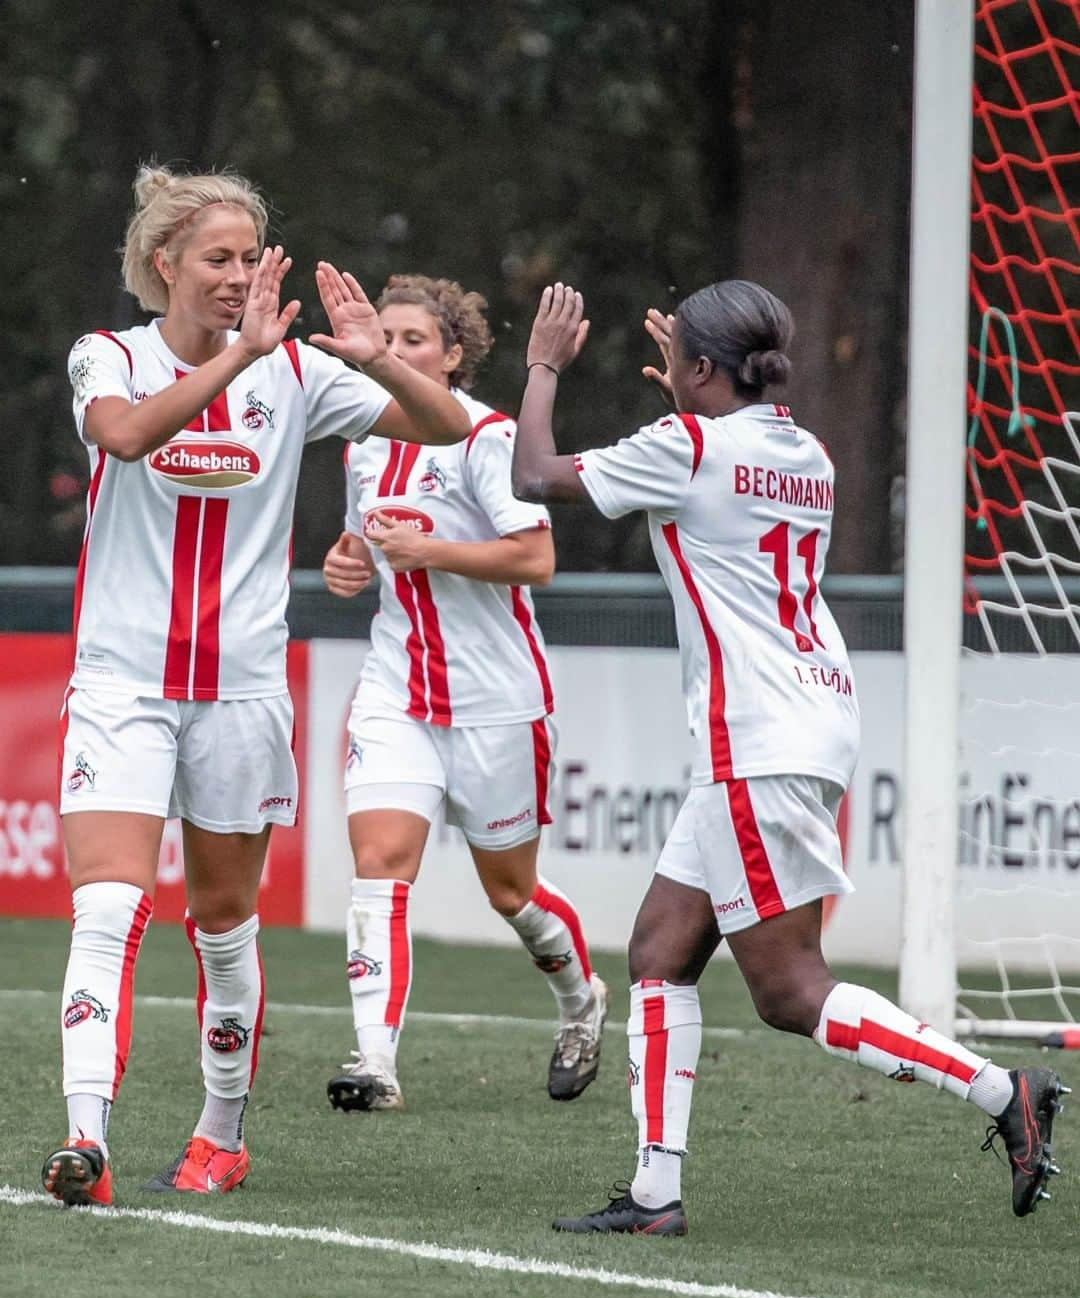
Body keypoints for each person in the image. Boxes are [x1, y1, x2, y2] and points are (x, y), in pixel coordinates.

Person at [510, 279, 1068, 1233]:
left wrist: (543, 365)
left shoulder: (685, 446)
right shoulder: (804, 449)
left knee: (788, 988)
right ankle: (654, 1197)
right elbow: (718, 483)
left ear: (696, 369)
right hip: (809, 714)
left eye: (684, 356)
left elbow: (533, 476)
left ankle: (1000, 1090)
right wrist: (686, 400)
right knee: (658, 953)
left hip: (754, 735)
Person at [43, 167, 472, 1208]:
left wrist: (380, 365)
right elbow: (126, 438)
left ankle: (219, 1136)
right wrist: (240, 357)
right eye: (218, 260)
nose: (238, 279)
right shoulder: (111, 357)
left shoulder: (295, 374)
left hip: (239, 691)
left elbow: (449, 427)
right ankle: (84, 1141)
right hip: (123, 684)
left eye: (249, 259)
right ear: (165, 267)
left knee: (224, 925)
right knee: (106, 908)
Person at [320, 273, 607, 1113]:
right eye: (388, 336)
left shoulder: (487, 437)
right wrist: (347, 561)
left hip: (496, 702)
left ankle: (580, 1000)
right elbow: (362, 542)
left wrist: (432, 552)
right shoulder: (364, 439)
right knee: (379, 865)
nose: (395, 351)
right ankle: (374, 1064)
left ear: (453, 356)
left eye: (414, 341)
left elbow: (536, 560)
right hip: (396, 689)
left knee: (511, 895)